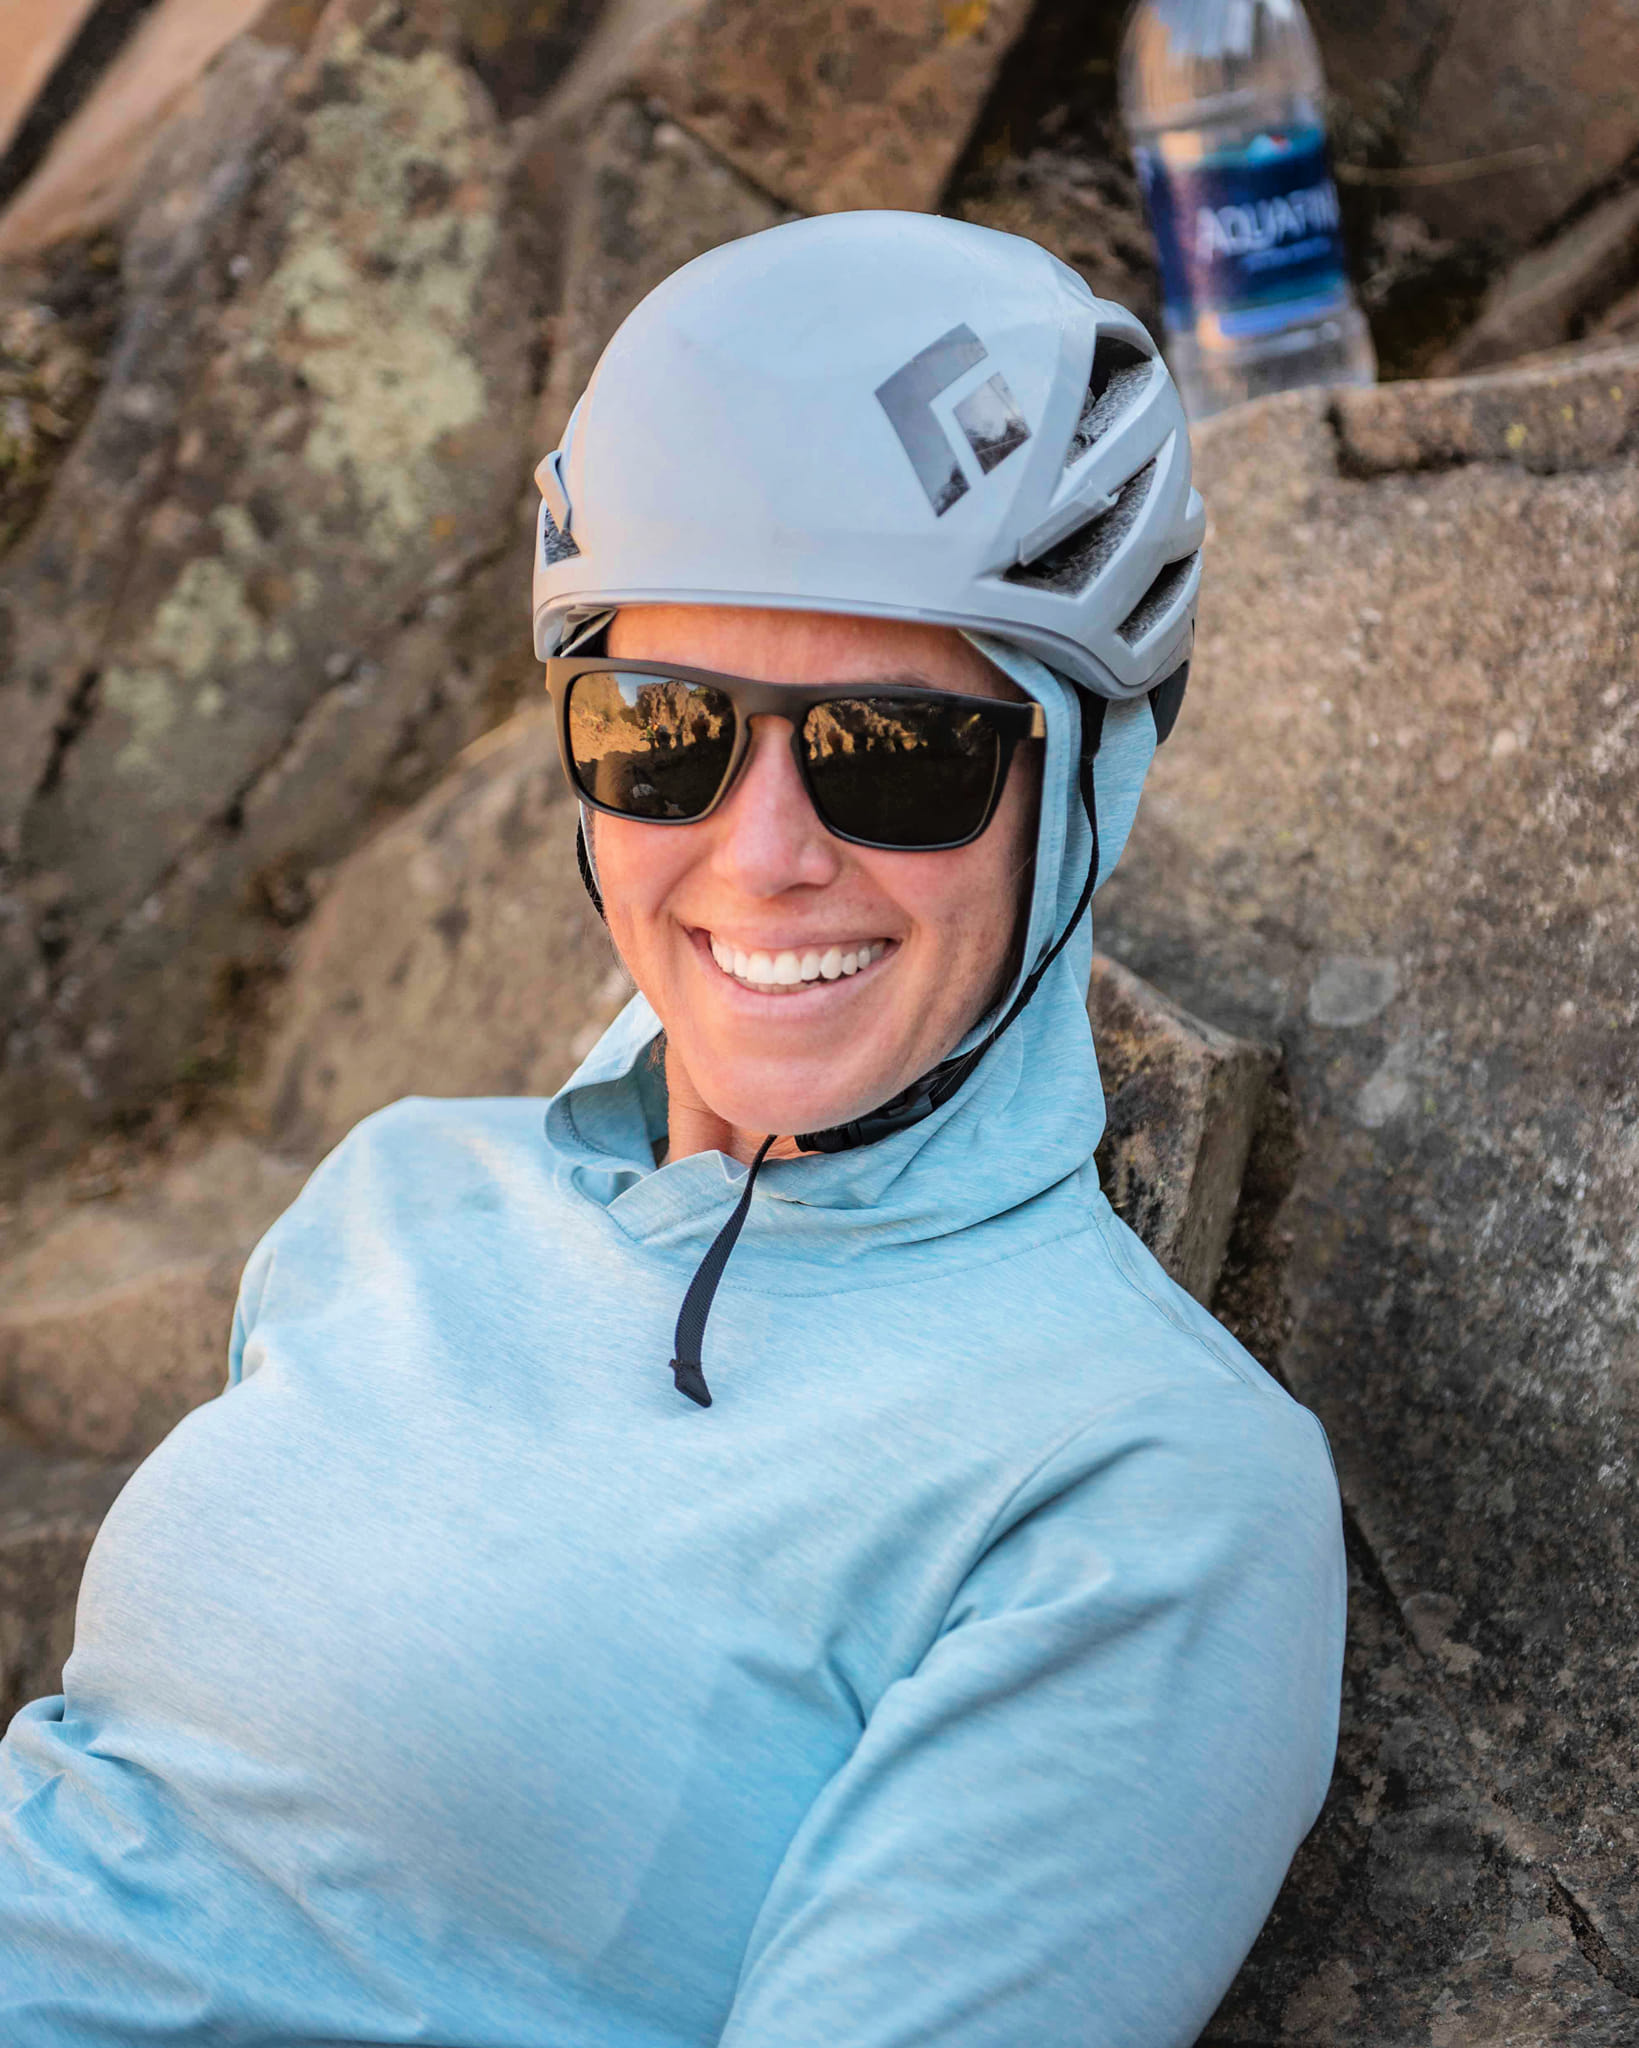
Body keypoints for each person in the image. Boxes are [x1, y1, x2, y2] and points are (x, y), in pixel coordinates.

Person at [0, 211, 1345, 2045]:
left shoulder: (1144, 1483)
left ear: (1082, 775)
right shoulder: (402, 1189)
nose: (765, 854)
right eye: (663, 730)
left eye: (892, 750)